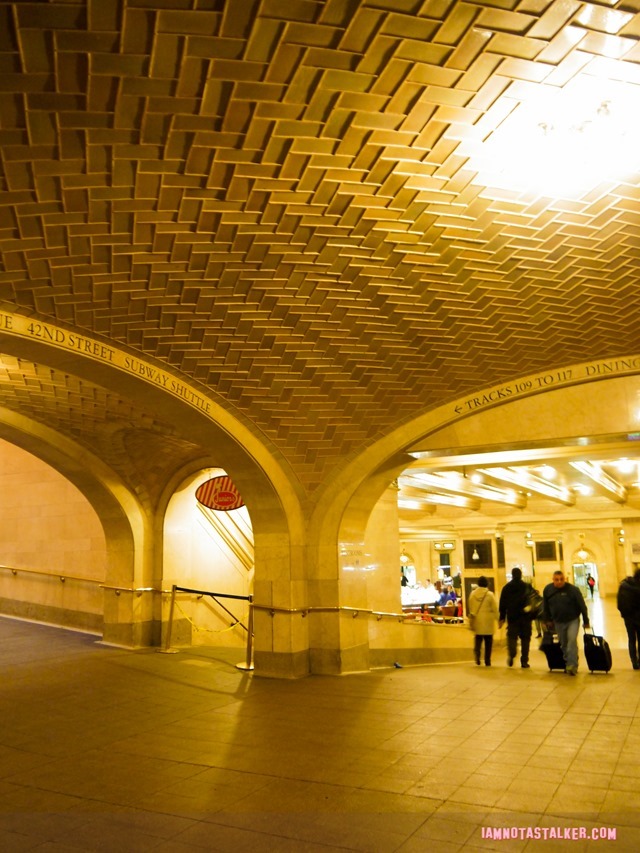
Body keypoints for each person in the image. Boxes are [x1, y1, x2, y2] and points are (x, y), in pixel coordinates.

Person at [542, 570, 590, 675]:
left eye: (561, 579)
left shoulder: (573, 590)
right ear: (553, 580)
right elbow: (545, 606)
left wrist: (586, 621)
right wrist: (547, 620)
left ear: (565, 579)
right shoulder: (548, 590)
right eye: (556, 580)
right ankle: (570, 660)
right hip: (558, 621)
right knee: (563, 644)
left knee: (571, 641)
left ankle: (572, 666)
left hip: (572, 620)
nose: (559, 582)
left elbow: (582, 606)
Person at [498, 567, 532, 668]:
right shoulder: (527, 587)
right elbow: (532, 601)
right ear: (521, 575)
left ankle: (512, 654)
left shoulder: (506, 588)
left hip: (513, 617)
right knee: (525, 639)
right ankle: (524, 661)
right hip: (525, 617)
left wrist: (502, 617)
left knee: (512, 637)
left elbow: (502, 604)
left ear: (512, 575)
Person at [468, 576, 499, 667]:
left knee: (478, 639)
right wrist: (498, 619)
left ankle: (477, 655)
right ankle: (487, 660)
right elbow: (495, 608)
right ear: (486, 584)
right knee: (488, 642)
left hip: (477, 620)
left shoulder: (472, 594)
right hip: (488, 622)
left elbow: (470, 606)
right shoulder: (490, 595)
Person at [617, 569, 640, 669]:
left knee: (631, 639)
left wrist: (624, 614)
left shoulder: (624, 586)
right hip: (639, 617)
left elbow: (619, 603)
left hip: (628, 618)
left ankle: (634, 662)